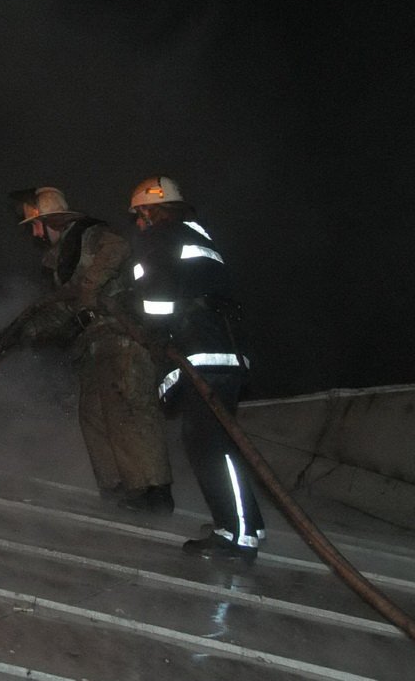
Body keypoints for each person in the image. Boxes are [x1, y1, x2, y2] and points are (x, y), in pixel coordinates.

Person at [0, 186, 174, 513]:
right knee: (93, 413)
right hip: (93, 342)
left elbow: (117, 248)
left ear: (50, 220)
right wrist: (23, 334)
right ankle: (117, 486)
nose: (34, 233)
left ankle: (153, 492)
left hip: (121, 335)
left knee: (127, 409)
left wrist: (87, 287)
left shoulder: (90, 235)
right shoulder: (62, 260)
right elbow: (63, 311)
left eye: (35, 224)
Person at [128, 175, 265, 562]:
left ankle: (236, 534)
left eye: (139, 215)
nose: (137, 224)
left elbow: (157, 298)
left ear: (149, 211)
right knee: (217, 444)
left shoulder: (160, 237)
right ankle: (246, 523)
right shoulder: (196, 234)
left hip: (201, 349)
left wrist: (154, 335)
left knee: (209, 446)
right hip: (225, 348)